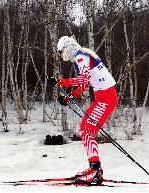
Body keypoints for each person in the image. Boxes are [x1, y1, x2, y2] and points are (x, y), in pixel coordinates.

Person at [49, 36, 118, 185]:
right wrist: (70, 97)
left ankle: (95, 171)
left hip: (106, 98)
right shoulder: (82, 55)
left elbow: (84, 80)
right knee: (85, 129)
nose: (61, 56)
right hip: (103, 97)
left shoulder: (81, 57)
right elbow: (85, 84)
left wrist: (60, 81)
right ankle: (94, 168)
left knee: (86, 131)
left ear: (67, 48)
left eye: (61, 52)